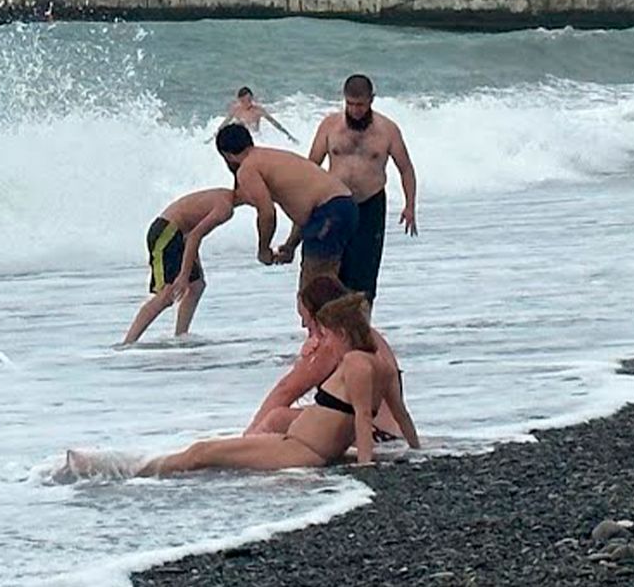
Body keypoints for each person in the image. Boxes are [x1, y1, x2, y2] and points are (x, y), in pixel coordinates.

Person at [62, 286, 419, 477]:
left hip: (300, 450)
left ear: (341, 331)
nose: (319, 338)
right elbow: (401, 415)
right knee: (211, 455)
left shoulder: (355, 362)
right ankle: (138, 466)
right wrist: (418, 452)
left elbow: (359, 417)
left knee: (205, 452)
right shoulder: (377, 361)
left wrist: (367, 467)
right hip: (302, 443)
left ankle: (124, 470)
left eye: (322, 332)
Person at [246, 275, 407, 440]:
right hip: (392, 433)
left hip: (373, 434)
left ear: (319, 317)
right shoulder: (368, 334)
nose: (303, 325)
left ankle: (247, 446)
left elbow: (286, 389)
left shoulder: (333, 343)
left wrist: (249, 434)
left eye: (305, 317)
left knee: (277, 418)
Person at [307, 74, 418, 304]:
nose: (355, 110)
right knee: (325, 273)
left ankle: (361, 330)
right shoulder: (330, 126)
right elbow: (311, 167)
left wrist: (410, 206)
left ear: (371, 100)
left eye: (360, 104)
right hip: (334, 204)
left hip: (370, 205)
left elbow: (406, 169)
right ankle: (324, 332)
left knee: (364, 274)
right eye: (350, 104)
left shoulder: (388, 130)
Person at [216, 124, 357, 290]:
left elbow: (267, 213)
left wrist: (263, 250)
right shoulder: (272, 156)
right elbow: (306, 207)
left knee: (314, 294)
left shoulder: (247, 169)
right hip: (346, 207)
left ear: (227, 155)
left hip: (329, 213)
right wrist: (291, 246)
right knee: (341, 288)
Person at [120, 187, 241, 346]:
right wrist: (183, 275)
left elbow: (192, 232)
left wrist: (189, 267)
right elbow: (194, 236)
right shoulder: (224, 207)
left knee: (196, 285)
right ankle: (127, 343)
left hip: (180, 235)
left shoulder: (223, 197)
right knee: (167, 293)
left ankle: (181, 336)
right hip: (167, 231)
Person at [222, 87, 297, 144]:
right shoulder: (236, 110)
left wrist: (289, 135)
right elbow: (225, 123)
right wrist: (217, 133)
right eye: (243, 101)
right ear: (239, 100)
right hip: (241, 140)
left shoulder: (258, 110)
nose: (248, 103)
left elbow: (274, 123)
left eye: (249, 100)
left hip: (255, 139)